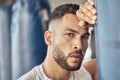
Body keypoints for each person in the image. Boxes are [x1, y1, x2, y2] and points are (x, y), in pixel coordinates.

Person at [17, 0, 97, 80]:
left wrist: (97, 16)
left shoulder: (89, 73)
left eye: (84, 37)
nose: (79, 46)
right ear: (49, 38)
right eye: (70, 34)